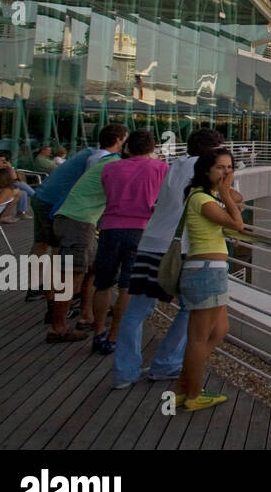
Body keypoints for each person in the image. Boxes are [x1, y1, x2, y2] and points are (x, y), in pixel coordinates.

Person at [112, 129, 223, 390]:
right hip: (181, 250)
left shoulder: (173, 166)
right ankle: (166, 363)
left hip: (150, 242)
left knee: (136, 311)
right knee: (191, 308)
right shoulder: (207, 170)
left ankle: (123, 372)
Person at [172, 148, 245, 411]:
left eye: (229, 167)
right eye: (220, 168)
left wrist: (227, 192)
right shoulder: (202, 199)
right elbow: (238, 223)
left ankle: (182, 386)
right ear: (206, 170)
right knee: (199, 338)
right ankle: (193, 394)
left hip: (210, 269)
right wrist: (226, 193)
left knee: (219, 330)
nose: (226, 172)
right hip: (204, 271)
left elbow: (238, 200)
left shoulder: (206, 197)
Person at [90, 130, 168, 356]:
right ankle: (114, 337)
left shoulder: (110, 167)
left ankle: (98, 332)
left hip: (110, 227)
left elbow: (107, 192)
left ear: (128, 148)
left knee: (103, 283)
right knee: (127, 286)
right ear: (152, 149)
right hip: (141, 229)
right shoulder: (160, 168)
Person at [48, 124, 128, 341]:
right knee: (71, 276)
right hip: (78, 222)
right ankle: (57, 327)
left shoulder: (109, 162)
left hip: (80, 221)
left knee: (91, 269)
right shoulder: (117, 166)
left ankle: (86, 315)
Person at [27, 141, 105, 302]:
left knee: (41, 243)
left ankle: (35, 287)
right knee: (58, 249)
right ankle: (53, 296)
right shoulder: (98, 158)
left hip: (42, 196)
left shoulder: (89, 152)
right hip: (54, 203)